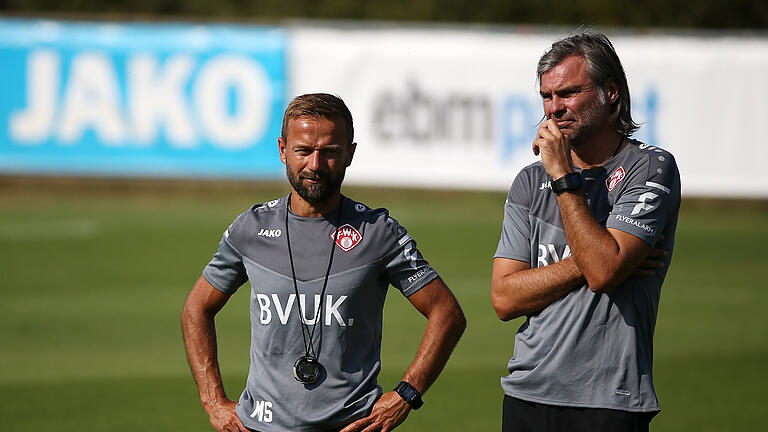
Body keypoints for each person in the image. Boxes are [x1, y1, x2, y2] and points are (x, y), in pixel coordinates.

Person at [182, 93, 466, 432]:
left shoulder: (378, 232)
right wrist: (212, 399)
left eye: (329, 152)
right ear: (282, 150)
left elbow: (447, 314)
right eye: (303, 150)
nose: (315, 165)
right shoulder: (250, 229)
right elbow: (196, 308)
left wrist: (406, 395)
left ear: (350, 154)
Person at [491, 32, 680, 431]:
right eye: (547, 96)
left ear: (610, 92)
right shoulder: (528, 181)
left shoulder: (650, 167)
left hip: (609, 400)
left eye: (569, 93)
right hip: (527, 393)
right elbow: (505, 298)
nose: (554, 109)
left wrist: (562, 176)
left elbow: (604, 273)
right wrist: (598, 259)